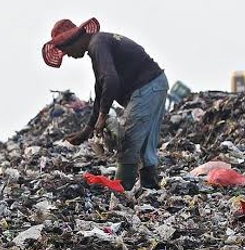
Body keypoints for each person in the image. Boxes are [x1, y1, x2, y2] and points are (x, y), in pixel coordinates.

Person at [42, 18, 168, 190]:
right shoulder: (99, 45)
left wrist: (103, 115)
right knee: (144, 142)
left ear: (73, 40)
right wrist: (88, 129)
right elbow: (101, 91)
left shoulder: (97, 44)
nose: (68, 55)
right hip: (156, 84)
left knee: (128, 140)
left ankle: (123, 189)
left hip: (146, 88)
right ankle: (150, 187)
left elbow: (111, 80)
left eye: (66, 50)